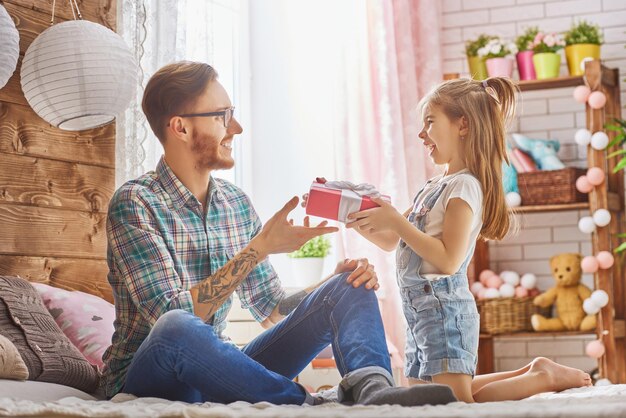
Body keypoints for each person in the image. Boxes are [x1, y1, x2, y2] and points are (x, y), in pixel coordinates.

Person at [101, 61, 458, 407]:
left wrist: (328, 286)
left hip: (218, 375)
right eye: (222, 115)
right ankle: (308, 403)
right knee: (176, 327)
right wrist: (259, 248)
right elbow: (172, 313)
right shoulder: (135, 203)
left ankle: (373, 391)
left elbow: (272, 309)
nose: (236, 127)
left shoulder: (235, 203)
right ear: (179, 127)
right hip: (150, 377)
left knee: (348, 285)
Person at [343, 77, 592, 403]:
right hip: (418, 316)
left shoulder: (464, 188)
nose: (422, 134)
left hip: (445, 314)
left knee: (456, 405)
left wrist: (394, 221)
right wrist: (356, 217)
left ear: (463, 125)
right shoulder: (432, 187)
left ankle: (541, 377)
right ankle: (534, 370)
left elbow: (448, 260)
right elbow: (392, 240)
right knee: (430, 401)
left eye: (430, 123)